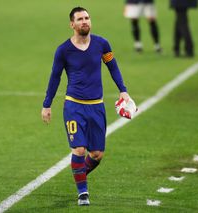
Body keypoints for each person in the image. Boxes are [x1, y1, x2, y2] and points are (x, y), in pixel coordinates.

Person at [41, 7, 133, 206]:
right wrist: (46, 105)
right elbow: (55, 77)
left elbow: (113, 66)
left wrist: (123, 90)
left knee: (97, 155)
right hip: (74, 105)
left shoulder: (102, 44)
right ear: (72, 24)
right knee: (79, 149)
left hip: (96, 106)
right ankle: (83, 192)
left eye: (87, 18)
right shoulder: (63, 50)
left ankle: (78, 172)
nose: (85, 21)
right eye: (80, 19)